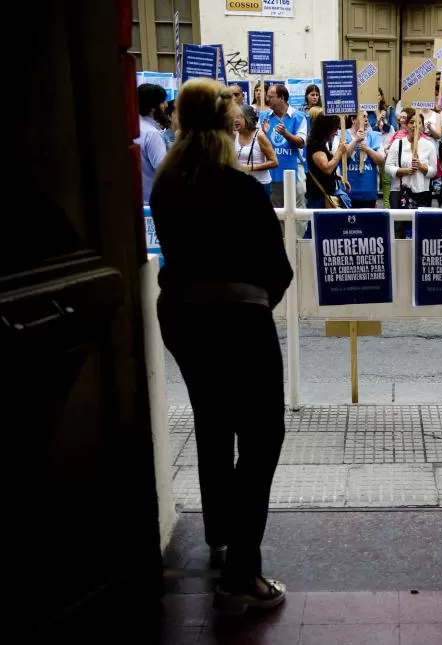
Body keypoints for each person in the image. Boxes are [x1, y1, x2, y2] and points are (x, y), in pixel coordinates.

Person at [150, 78, 293, 611]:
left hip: (183, 320)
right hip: (240, 320)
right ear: (230, 124)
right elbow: (278, 271)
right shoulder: (241, 188)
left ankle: (219, 533)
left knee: (212, 424)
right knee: (262, 438)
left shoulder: (167, 184)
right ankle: (243, 571)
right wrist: (254, 305)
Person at [261, 84, 308, 208]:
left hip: (294, 172)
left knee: (297, 212)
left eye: (271, 97)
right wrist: (263, 134)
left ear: (281, 98)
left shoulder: (298, 117)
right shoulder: (264, 117)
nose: (267, 100)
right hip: (272, 173)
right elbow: (257, 144)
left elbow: (301, 143)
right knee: (276, 212)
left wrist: (285, 133)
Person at [306, 113, 359, 209]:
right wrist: (339, 152)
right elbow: (326, 169)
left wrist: (338, 177)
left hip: (324, 194)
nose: (336, 133)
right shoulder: (316, 146)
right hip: (318, 198)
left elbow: (319, 170)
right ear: (326, 129)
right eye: (335, 129)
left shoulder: (320, 144)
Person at [338, 112, 386, 208]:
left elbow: (381, 161)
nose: (366, 119)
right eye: (363, 116)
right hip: (347, 190)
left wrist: (367, 149)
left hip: (368, 191)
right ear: (353, 120)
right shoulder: (341, 134)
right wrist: (355, 140)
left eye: (367, 117)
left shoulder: (374, 136)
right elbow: (341, 157)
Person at [234, 105, 277, 195]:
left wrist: (250, 167)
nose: (235, 120)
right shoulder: (234, 135)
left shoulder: (260, 136)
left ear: (248, 118)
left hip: (260, 185)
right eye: (234, 117)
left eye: (238, 117)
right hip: (239, 184)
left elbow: (274, 162)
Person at [135, 83, 168, 203]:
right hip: (150, 203)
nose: (166, 105)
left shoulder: (131, 128)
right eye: (162, 102)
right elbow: (164, 172)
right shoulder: (152, 134)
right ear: (153, 107)